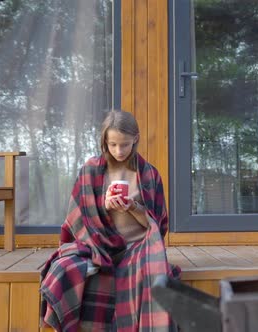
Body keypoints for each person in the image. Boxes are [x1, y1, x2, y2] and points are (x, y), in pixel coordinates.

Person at [40, 110, 180, 331]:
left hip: (137, 247)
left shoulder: (149, 175)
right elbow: (77, 218)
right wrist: (103, 208)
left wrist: (132, 207)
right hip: (97, 245)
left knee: (154, 274)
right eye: (113, 144)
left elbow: (155, 227)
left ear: (136, 138)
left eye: (124, 144)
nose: (119, 151)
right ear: (105, 141)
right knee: (63, 270)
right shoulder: (91, 170)